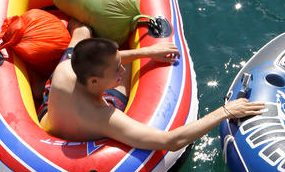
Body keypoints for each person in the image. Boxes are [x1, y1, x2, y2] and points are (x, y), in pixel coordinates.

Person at [40, 21, 264, 150]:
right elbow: (171, 141)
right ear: (94, 81)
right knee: (126, 76)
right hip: (85, 126)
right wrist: (226, 111)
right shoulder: (105, 118)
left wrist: (147, 52)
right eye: (116, 69)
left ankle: (78, 31)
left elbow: (107, 61)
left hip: (49, 112)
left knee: (81, 33)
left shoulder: (65, 69)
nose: (122, 69)